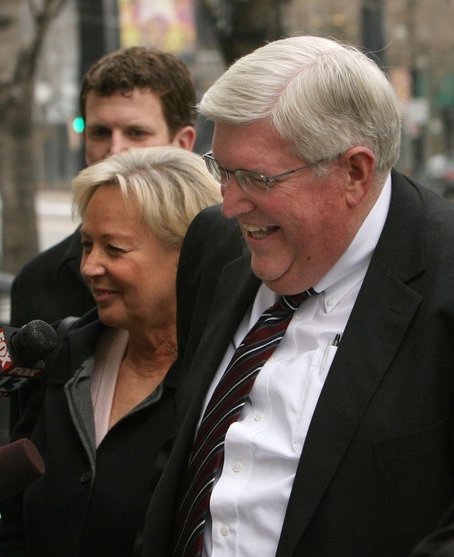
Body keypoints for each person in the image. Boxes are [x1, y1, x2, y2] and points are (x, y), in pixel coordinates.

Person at [138, 36, 454, 557]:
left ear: (354, 172)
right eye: (223, 168)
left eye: (257, 178)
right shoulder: (213, 247)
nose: (230, 203)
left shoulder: (443, 279)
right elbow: (182, 455)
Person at [0, 146, 222, 556]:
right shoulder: (64, 359)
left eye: (114, 249)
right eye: (87, 245)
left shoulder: (223, 385)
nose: (90, 266)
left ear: (188, 256)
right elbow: (16, 523)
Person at [10, 46, 197, 329]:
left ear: (182, 144)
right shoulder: (40, 282)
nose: (115, 150)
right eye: (100, 133)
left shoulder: (234, 267)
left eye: (136, 133)